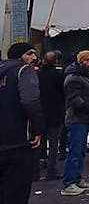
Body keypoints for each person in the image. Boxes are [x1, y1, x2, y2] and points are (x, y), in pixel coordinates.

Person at [0, 43, 44, 204]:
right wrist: (38, 129)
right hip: (19, 142)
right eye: (29, 54)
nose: (34, 57)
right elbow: (30, 101)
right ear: (19, 56)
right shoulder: (24, 70)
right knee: (16, 193)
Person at [62, 50, 89, 196]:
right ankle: (69, 183)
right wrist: (88, 109)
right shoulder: (74, 78)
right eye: (87, 60)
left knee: (81, 151)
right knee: (75, 152)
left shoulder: (86, 76)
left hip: (84, 119)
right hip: (76, 119)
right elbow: (74, 99)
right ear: (80, 61)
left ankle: (77, 179)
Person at [38, 50, 64, 180]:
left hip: (40, 113)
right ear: (56, 62)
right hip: (55, 113)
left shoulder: (37, 74)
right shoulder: (59, 76)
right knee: (53, 144)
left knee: (38, 142)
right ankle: (52, 170)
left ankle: (37, 169)